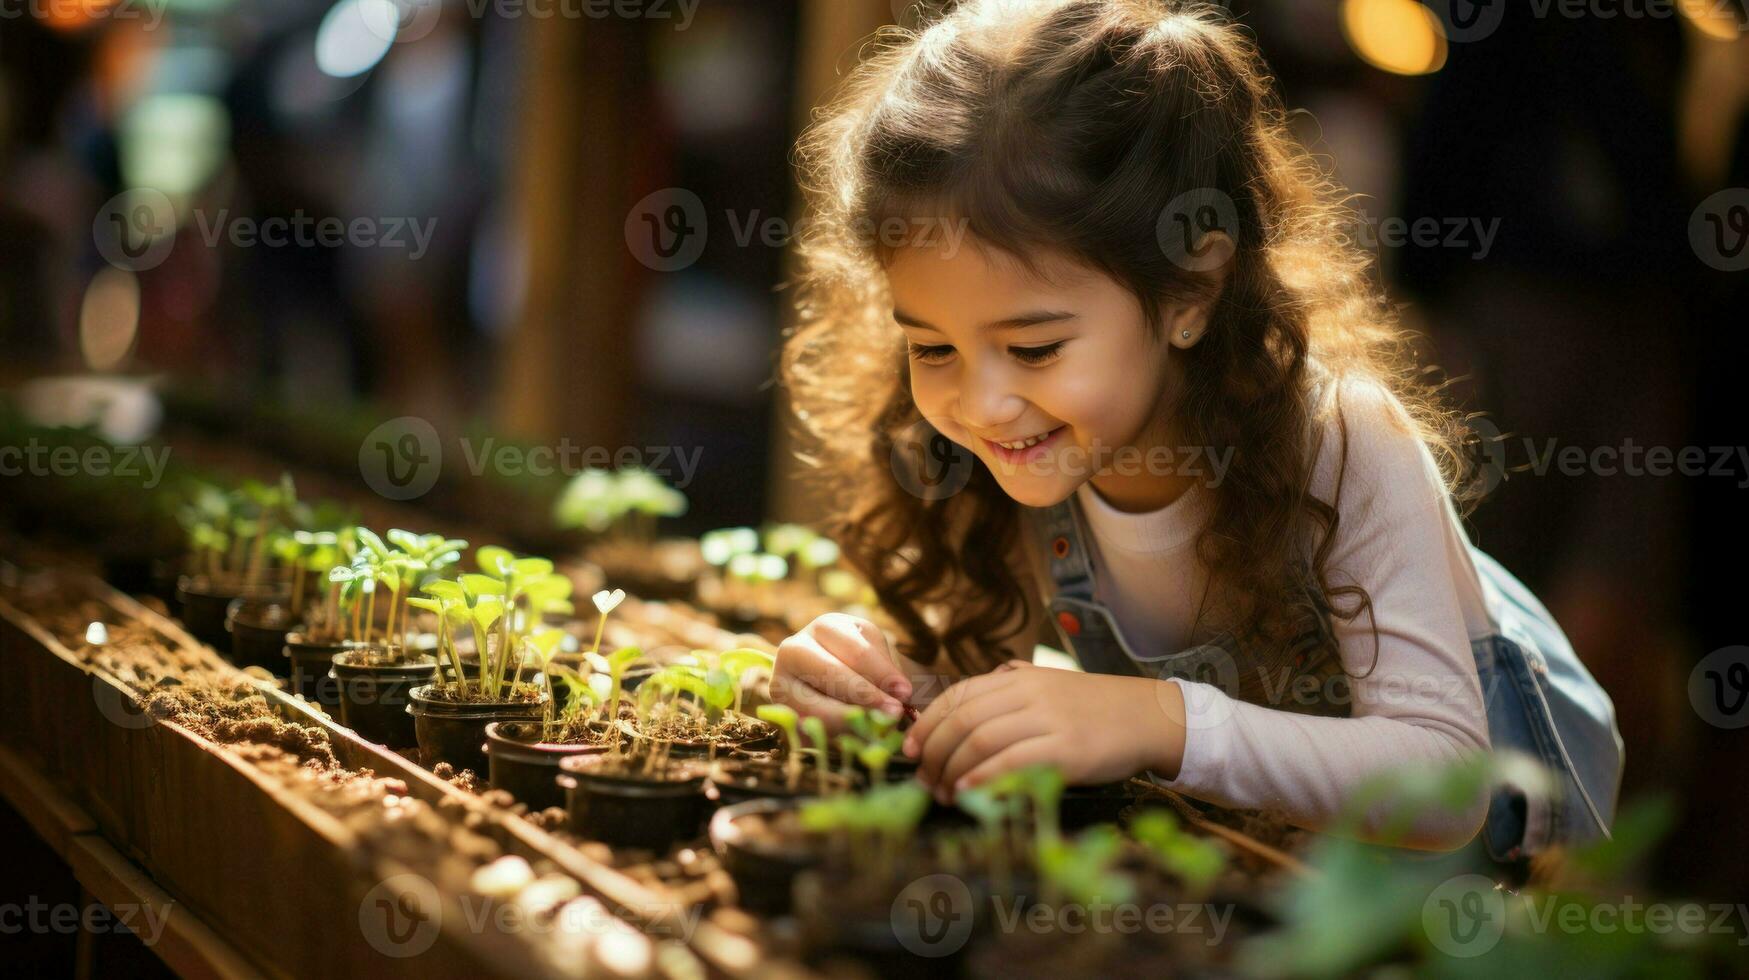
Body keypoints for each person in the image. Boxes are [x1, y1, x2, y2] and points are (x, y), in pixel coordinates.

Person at [770, 0, 1619, 856]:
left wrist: (1158, 720)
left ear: (1190, 291)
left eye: (1033, 347)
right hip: (1265, 874)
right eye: (931, 346)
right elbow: (978, 689)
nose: (981, 405)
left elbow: (1445, 787)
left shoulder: (1341, 441)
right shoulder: (1022, 455)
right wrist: (886, 690)